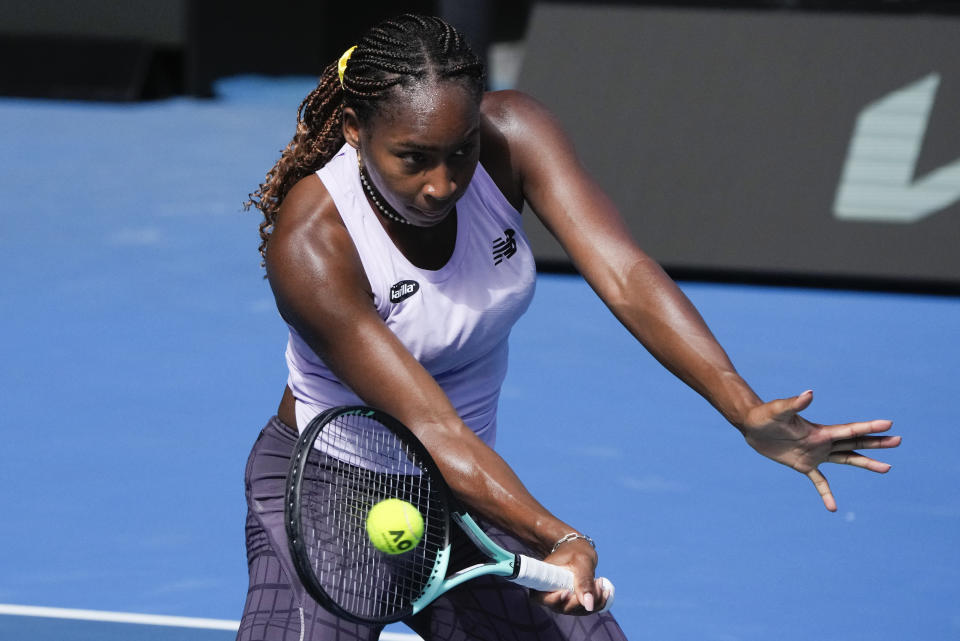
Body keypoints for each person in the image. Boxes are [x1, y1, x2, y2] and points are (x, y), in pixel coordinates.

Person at [237, 14, 900, 641]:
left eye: (460, 150)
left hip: (466, 492)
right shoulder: (312, 242)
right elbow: (431, 427)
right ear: (353, 128)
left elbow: (626, 275)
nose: (443, 185)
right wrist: (555, 535)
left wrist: (744, 406)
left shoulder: (516, 138)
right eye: (414, 158)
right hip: (326, 491)